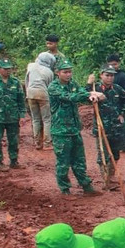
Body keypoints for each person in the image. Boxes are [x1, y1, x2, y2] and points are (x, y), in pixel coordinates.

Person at [47, 61, 99, 196]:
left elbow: (81, 92)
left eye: (70, 71)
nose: (68, 74)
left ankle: (86, 185)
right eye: (65, 72)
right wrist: (87, 94)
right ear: (57, 73)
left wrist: (91, 96)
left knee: (79, 159)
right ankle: (65, 189)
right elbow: (70, 97)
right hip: (60, 130)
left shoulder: (73, 84)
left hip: (74, 129)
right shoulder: (54, 87)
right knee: (63, 162)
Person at [87, 67, 125, 192]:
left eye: (112, 76)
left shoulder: (117, 89)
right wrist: (89, 84)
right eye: (107, 75)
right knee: (103, 154)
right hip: (101, 127)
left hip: (116, 127)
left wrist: (123, 113)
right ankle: (106, 180)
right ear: (101, 75)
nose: (110, 78)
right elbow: (84, 95)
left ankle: (111, 176)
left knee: (115, 154)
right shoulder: (96, 89)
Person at [0, 58, 26, 171]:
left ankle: (14, 161)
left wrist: (22, 115)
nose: (8, 71)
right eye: (5, 69)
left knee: (13, 141)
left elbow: (21, 100)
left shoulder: (16, 82)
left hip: (13, 117)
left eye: (9, 69)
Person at [24, 52, 56, 149]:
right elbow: (50, 86)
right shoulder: (49, 72)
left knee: (35, 119)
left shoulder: (31, 66)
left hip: (30, 93)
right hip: (43, 94)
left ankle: (37, 142)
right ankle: (47, 143)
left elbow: (26, 80)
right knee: (47, 119)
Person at [105, 54, 125, 152]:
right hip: (108, 106)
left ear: (119, 64)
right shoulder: (106, 75)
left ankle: (123, 147)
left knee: (122, 126)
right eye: (110, 65)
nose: (113, 66)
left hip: (120, 105)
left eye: (115, 64)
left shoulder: (122, 76)